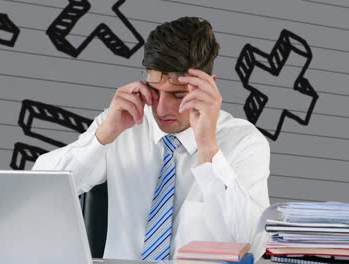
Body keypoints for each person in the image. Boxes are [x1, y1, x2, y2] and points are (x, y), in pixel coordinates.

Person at [33, 16, 270, 261]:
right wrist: (102, 137)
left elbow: (255, 242)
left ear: (209, 86)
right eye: (155, 91)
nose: (162, 109)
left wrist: (209, 151)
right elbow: (39, 189)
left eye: (178, 95)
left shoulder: (245, 142)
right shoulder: (123, 122)